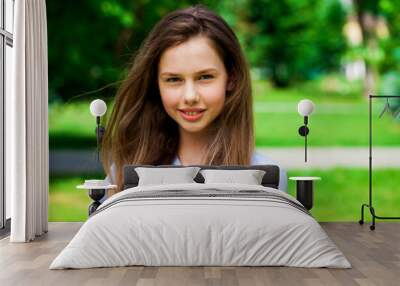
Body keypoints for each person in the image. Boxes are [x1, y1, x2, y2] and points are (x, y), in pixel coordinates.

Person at [99, 5, 287, 204]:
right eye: (173, 79)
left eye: (205, 77)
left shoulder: (267, 177)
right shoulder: (119, 176)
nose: (190, 96)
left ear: (231, 78)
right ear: (156, 83)